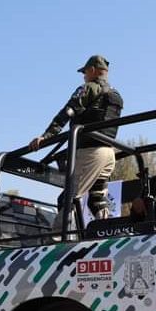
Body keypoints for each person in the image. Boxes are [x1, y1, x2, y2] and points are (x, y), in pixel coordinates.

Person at [29, 55, 123, 224]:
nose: (84, 76)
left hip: (90, 152)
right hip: (109, 153)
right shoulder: (116, 94)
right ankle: (106, 232)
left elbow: (67, 112)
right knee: (97, 201)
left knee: (67, 199)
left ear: (93, 70)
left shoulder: (89, 88)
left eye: (85, 72)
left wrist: (46, 136)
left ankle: (57, 242)